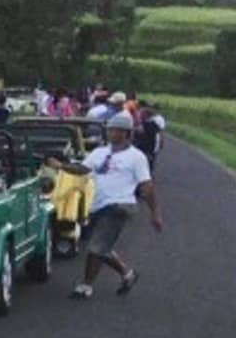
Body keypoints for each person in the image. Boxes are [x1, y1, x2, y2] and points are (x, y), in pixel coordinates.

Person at [45, 112, 162, 299]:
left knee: (96, 246)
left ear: (126, 133)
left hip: (120, 205)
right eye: (110, 130)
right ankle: (127, 274)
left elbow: (147, 186)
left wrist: (155, 213)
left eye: (115, 130)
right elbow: (82, 170)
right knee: (102, 245)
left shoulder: (136, 157)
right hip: (98, 205)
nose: (111, 133)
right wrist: (60, 166)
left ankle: (86, 285)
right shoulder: (100, 153)